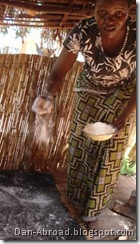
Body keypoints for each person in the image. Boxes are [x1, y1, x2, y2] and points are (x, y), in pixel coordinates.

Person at [33, 0, 136, 225]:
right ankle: (77, 200)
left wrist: (125, 115)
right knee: (81, 146)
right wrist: (47, 94)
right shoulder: (82, 32)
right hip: (89, 92)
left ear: (129, 10)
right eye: (103, 12)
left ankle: (93, 211)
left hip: (124, 95)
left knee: (112, 151)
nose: (110, 19)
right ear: (93, 11)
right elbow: (59, 72)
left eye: (119, 13)